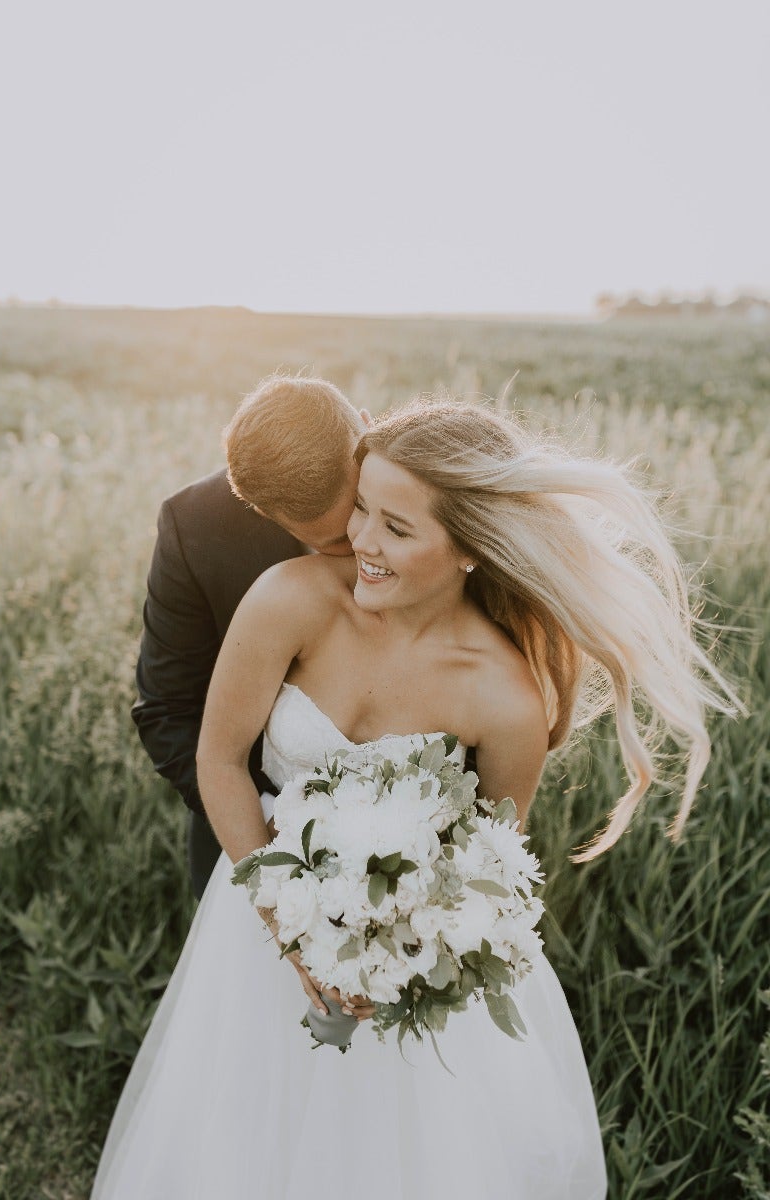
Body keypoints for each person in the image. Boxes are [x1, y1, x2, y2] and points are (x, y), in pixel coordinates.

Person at [93, 399, 736, 1199]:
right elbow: (217, 757)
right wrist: (291, 926)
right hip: (256, 916)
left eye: (395, 528)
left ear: (468, 549)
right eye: (360, 509)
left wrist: (394, 949)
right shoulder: (287, 596)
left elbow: (487, 865)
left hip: (401, 960)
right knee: (236, 1139)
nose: (360, 540)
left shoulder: (505, 700)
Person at [131, 373, 366, 897]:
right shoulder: (194, 526)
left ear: (367, 430)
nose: (365, 542)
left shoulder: (429, 486)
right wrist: (261, 829)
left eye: (363, 510)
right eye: (335, 540)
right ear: (260, 511)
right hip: (250, 840)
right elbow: (166, 710)